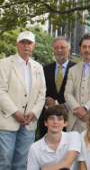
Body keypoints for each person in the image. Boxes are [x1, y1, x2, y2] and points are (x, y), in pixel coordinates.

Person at [0, 31, 46, 170]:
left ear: (34, 45)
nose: (26, 45)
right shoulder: (4, 64)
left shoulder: (38, 67)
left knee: (21, 164)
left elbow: (41, 93)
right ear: (17, 44)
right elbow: (1, 91)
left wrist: (34, 113)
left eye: (29, 43)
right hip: (8, 120)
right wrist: (15, 112)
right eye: (23, 42)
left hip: (28, 123)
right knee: (4, 161)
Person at [39, 37, 76, 137]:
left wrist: (67, 105)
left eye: (62, 47)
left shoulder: (77, 69)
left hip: (69, 120)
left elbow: (80, 92)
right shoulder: (44, 69)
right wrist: (45, 99)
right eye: (56, 48)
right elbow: (38, 90)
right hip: (47, 121)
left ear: (69, 50)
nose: (59, 50)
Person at [27, 106, 81, 170]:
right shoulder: (35, 147)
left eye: (59, 119)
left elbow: (67, 164)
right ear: (45, 123)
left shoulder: (73, 136)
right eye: (51, 118)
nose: (55, 122)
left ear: (65, 123)